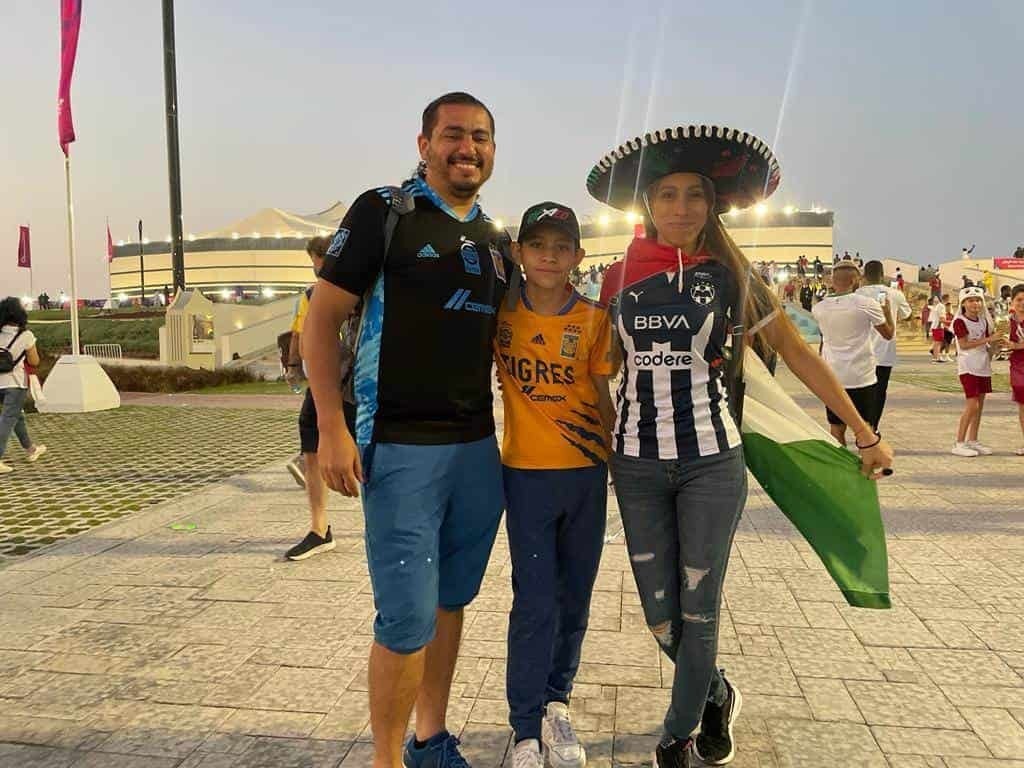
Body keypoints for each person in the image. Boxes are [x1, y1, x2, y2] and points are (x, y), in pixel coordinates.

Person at [587, 124, 893, 768]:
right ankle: (718, 693)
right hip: (636, 466)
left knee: (699, 608)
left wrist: (865, 433)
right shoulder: (614, 279)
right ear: (647, 205)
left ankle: (676, 736)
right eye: (666, 195)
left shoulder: (732, 275)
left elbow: (797, 354)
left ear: (711, 205)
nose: (680, 208)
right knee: (661, 615)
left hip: (712, 463)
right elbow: (601, 365)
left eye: (693, 196)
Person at [304, 92, 510, 768]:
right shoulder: (384, 213)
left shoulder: (495, 240)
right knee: (405, 618)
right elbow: (321, 319)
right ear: (423, 143)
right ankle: (387, 759)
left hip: (478, 450)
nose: (467, 148)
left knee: (452, 601)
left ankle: (432, 738)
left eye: (480, 137)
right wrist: (332, 428)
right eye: (453, 134)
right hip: (399, 448)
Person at [496, 202, 615, 768]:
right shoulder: (497, 318)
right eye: (537, 244)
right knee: (534, 600)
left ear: (578, 257)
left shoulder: (594, 319)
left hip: (586, 476)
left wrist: (617, 459)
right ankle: (522, 728)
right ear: (518, 253)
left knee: (575, 598)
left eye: (561, 246)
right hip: (524, 477)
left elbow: (603, 399)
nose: (548, 255)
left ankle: (556, 705)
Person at [282, 235, 357, 561]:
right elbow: (301, 333)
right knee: (311, 448)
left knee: (376, 453)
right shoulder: (312, 295)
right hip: (324, 385)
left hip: (359, 383)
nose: (320, 272)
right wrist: (295, 367)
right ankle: (319, 528)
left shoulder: (362, 290)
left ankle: (390, 526)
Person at [813, 260, 893, 444]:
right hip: (862, 376)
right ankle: (867, 468)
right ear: (855, 280)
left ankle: (839, 469)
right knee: (866, 429)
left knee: (836, 428)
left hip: (834, 377)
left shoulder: (819, 309)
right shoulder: (866, 304)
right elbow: (888, 334)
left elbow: (823, 341)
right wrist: (887, 311)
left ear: (833, 281)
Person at [856, 261, 911, 427]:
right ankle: (873, 427)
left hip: (860, 352)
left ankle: (861, 426)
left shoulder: (856, 295)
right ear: (882, 275)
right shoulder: (894, 294)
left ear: (864, 276)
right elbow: (907, 315)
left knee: (859, 391)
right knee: (879, 392)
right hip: (884, 351)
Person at [0, 297, 47, 474]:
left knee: (16, 416)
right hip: (15, 383)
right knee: (7, 419)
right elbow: (34, 361)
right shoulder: (26, 335)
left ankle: (31, 449)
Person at [951, 286, 998, 457]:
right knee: (972, 405)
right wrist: (988, 339)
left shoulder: (984, 321)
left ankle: (973, 440)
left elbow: (987, 345)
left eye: (978, 300)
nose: (975, 304)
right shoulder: (959, 322)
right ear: (963, 303)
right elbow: (963, 345)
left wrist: (997, 343)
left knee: (980, 406)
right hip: (968, 367)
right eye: (971, 301)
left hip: (983, 367)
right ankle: (959, 442)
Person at [1006, 284, 1024, 456]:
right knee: (1022, 405)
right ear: (1012, 301)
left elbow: (1015, 344)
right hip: (1017, 365)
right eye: (1019, 300)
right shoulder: (1007, 321)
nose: (1022, 303)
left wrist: (1016, 345)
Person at [928, 296, 948, 363]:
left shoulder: (935, 307)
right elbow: (941, 317)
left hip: (935, 326)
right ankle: (936, 357)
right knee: (938, 342)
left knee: (937, 342)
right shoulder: (940, 306)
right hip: (938, 326)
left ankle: (936, 357)